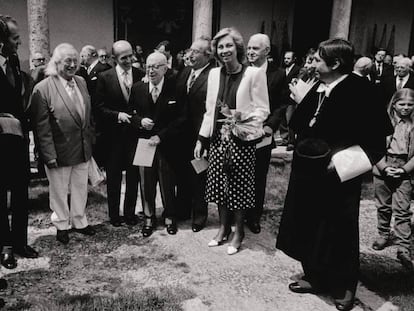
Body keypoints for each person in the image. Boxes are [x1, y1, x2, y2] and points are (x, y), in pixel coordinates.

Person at [276, 38, 391, 311]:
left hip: (339, 176)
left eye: (317, 60)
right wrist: (302, 99)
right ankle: (315, 276)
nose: (312, 64)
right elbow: (300, 124)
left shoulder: (362, 91)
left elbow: (376, 142)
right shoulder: (318, 87)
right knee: (310, 226)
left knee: (338, 231)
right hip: (308, 173)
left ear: (336, 63)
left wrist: (338, 165)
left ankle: (344, 284)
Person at [194, 27, 269, 255]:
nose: (224, 50)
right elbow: (210, 109)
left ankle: (239, 232)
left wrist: (241, 117)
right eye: (220, 46)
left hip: (241, 141)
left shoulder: (254, 74)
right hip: (218, 140)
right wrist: (201, 139)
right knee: (219, 186)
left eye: (228, 45)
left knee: (238, 188)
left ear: (237, 48)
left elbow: (263, 109)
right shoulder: (215, 74)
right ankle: (223, 228)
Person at [30, 43, 96, 244]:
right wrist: (49, 155)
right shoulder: (43, 88)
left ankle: (79, 221)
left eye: (75, 60)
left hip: (82, 147)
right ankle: (61, 224)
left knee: (80, 187)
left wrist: (91, 141)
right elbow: (41, 127)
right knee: (59, 190)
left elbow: (87, 115)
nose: (73, 64)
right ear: (56, 62)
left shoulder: (82, 82)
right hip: (59, 150)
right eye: (68, 60)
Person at [128, 52, 184, 237]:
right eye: (148, 66)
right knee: (146, 182)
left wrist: (162, 136)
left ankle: (170, 217)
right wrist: (139, 121)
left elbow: (182, 118)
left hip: (166, 144)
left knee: (167, 182)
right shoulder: (137, 89)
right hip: (144, 143)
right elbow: (130, 114)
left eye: (156, 66)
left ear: (165, 68)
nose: (151, 70)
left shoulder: (176, 88)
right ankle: (149, 218)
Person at [0, 15, 38, 269]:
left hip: (19, 141)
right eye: (15, 38)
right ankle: (6, 247)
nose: (20, 42)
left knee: (21, 192)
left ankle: (21, 241)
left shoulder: (14, 63)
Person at [95, 40, 144, 227]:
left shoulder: (140, 75)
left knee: (133, 177)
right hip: (113, 138)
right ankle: (114, 215)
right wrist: (117, 116)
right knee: (114, 178)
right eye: (124, 58)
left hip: (134, 137)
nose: (129, 60)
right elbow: (98, 108)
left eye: (131, 56)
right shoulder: (104, 77)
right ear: (114, 58)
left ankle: (130, 213)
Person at [246, 33, 287, 234]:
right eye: (249, 48)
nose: (250, 52)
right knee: (238, 175)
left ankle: (254, 216)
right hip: (241, 132)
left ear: (267, 51)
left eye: (255, 48)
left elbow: (281, 105)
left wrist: (270, 126)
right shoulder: (242, 71)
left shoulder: (277, 74)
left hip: (263, 134)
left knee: (258, 177)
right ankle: (237, 213)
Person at [175, 36, 215, 231]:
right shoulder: (184, 72)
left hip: (201, 135)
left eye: (196, 51)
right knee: (182, 174)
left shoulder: (213, 75)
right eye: (190, 50)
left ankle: (199, 216)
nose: (190, 54)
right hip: (182, 135)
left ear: (208, 55)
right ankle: (182, 209)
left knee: (200, 176)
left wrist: (204, 138)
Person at [372, 88, 414, 269]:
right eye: (402, 104)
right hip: (384, 164)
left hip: (405, 166)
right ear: (394, 104)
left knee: (403, 208)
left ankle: (403, 246)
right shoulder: (384, 122)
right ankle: (383, 233)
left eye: (410, 105)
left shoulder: (412, 124)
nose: (405, 108)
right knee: (383, 205)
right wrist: (384, 167)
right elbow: (373, 147)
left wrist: (404, 170)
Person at [279, 50, 301, 150]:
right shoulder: (283, 70)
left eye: (288, 58)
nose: (286, 60)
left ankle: (291, 141)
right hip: (282, 99)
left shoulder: (298, 70)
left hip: (291, 99)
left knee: (290, 120)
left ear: (294, 59)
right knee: (282, 120)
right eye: (285, 58)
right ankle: (284, 139)